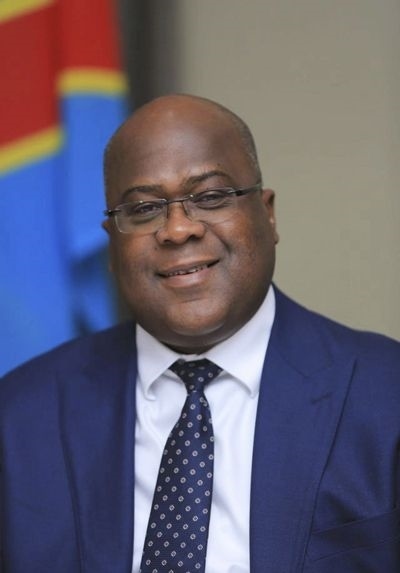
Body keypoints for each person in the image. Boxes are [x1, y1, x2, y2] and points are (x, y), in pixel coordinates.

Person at [0, 94, 399, 573]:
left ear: (268, 214)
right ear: (112, 244)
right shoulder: (19, 418)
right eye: (144, 209)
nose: (177, 229)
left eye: (210, 197)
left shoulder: (386, 395)